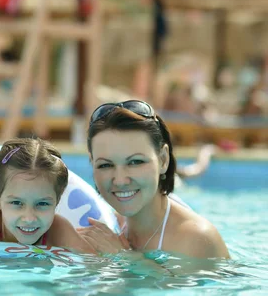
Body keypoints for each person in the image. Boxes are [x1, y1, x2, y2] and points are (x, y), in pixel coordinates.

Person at [78, 101, 229, 259]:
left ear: (163, 159)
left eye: (135, 162)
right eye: (105, 165)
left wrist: (122, 255)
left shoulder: (196, 238)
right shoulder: (108, 225)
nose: (120, 180)